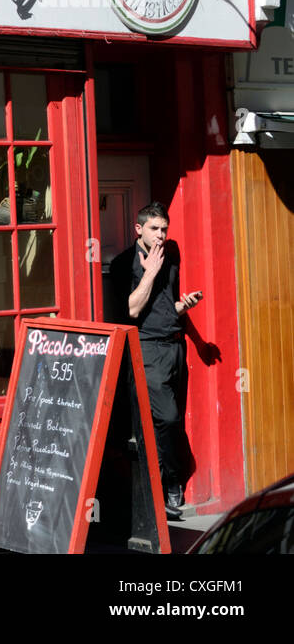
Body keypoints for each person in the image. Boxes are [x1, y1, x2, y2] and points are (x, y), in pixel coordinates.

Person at [121, 202, 202, 520]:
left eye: (164, 229)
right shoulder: (126, 263)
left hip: (174, 346)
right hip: (148, 349)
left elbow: (164, 306)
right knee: (165, 418)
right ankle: (168, 482)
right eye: (154, 229)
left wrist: (183, 306)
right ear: (138, 229)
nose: (161, 235)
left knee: (174, 419)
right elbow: (131, 309)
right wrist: (150, 273)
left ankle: (166, 485)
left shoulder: (172, 256)